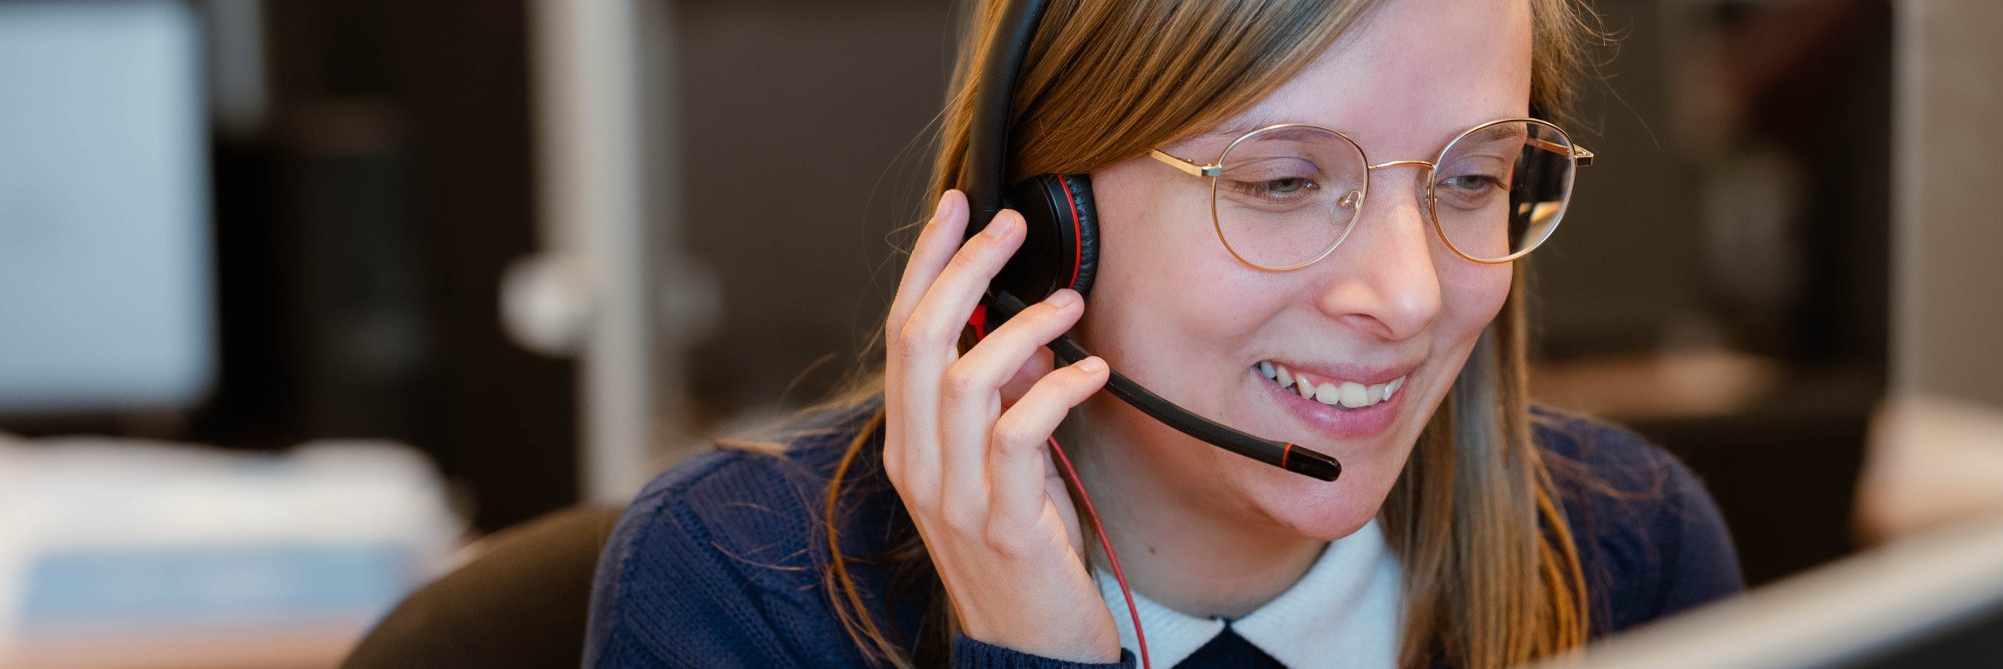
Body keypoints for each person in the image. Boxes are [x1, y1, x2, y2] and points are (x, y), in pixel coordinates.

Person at [582, 0, 1742, 667]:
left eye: (1473, 175)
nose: (1409, 295)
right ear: (1047, 223)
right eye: (1284, 183)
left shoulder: (1623, 559)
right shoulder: (740, 600)